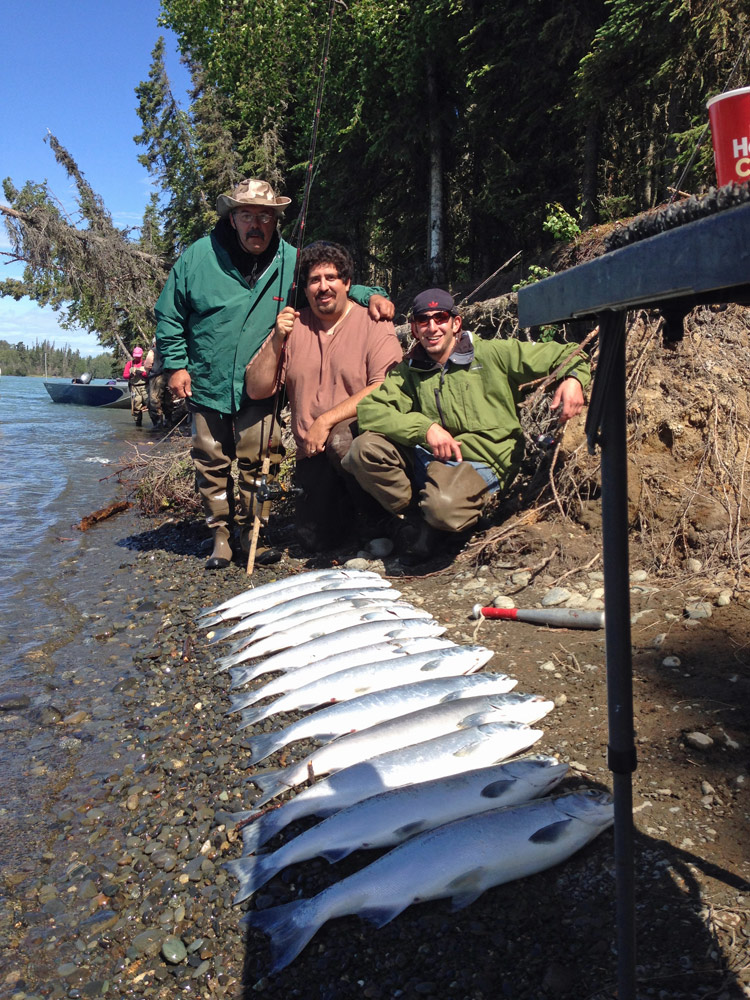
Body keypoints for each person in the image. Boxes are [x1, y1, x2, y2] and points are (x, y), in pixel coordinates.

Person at [155, 178, 394, 569]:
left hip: (262, 387)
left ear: (275, 221)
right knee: (210, 460)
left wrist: (372, 296)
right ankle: (219, 535)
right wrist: (177, 364)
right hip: (206, 379)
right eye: (247, 215)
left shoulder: (289, 260)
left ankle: (254, 532)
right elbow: (169, 313)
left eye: (265, 217)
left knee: (259, 458)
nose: (256, 225)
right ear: (232, 218)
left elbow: (330, 281)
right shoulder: (198, 258)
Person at [342, 287, 591, 561]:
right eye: (423, 321)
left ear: (455, 323)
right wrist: (424, 428)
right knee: (363, 449)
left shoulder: (493, 353)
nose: (432, 328)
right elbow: (369, 410)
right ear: (414, 329)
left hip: (482, 463)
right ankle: (418, 519)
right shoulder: (410, 369)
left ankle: (450, 518)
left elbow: (568, 353)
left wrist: (573, 379)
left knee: (445, 507)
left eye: (441, 318)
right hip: (431, 458)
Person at [245, 241, 403, 551]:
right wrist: (277, 339)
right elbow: (256, 388)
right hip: (312, 454)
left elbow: (385, 386)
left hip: (362, 442)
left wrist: (327, 420)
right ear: (305, 289)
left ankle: (381, 520)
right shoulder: (293, 328)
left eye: (331, 278)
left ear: (347, 284)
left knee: (341, 440)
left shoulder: (374, 322)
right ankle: (350, 525)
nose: (323, 287)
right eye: (314, 280)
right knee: (315, 541)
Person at [144, 337, 171, 428]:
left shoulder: (153, 351)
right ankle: (168, 421)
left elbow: (147, 365)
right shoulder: (169, 350)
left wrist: (148, 374)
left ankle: (158, 423)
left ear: (154, 343)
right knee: (168, 400)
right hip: (169, 376)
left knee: (154, 401)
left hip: (156, 377)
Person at [122, 347, 149, 427]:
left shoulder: (146, 363)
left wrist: (142, 373)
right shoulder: (129, 364)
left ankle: (156, 424)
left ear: (141, 355)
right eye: (135, 356)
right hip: (134, 388)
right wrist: (130, 375)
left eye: (138, 356)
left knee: (151, 405)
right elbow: (125, 375)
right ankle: (138, 425)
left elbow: (150, 374)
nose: (137, 358)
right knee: (136, 407)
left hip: (145, 387)